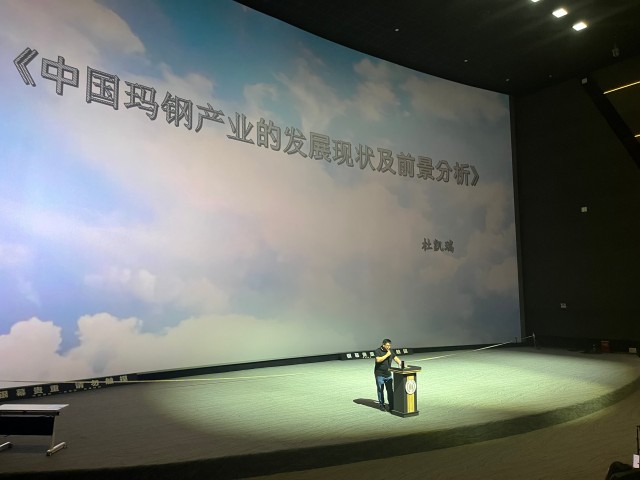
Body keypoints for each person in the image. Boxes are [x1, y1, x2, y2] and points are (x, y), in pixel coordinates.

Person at [374, 338, 401, 412]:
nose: (389, 347)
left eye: (390, 345)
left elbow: (396, 358)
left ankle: (391, 405)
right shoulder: (377, 351)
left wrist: (401, 364)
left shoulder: (391, 351)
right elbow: (378, 360)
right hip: (379, 374)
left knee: (390, 390)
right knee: (380, 390)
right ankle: (382, 405)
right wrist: (387, 355)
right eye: (387, 345)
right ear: (383, 345)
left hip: (388, 374)